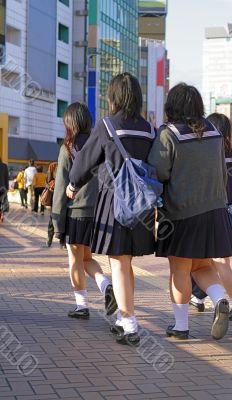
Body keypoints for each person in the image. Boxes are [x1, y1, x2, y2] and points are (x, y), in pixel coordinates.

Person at [67, 73, 156, 346]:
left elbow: (85, 161)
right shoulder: (150, 129)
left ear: (114, 96)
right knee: (126, 264)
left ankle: (130, 325)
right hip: (141, 206)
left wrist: (72, 184)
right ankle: (121, 317)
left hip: (114, 202)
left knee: (118, 263)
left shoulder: (107, 125)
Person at [148, 83, 232, 340]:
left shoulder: (169, 133)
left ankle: (180, 326)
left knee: (179, 269)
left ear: (172, 106)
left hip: (181, 214)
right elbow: (223, 174)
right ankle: (220, 298)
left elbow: (159, 171)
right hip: (214, 211)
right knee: (202, 265)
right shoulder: (213, 132)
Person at [52, 102, 117, 319]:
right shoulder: (99, 144)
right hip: (99, 212)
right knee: (87, 258)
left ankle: (82, 306)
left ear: (69, 123)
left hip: (76, 213)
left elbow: (61, 188)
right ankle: (106, 285)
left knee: (75, 259)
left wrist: (57, 224)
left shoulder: (67, 148)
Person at [190, 113, 232, 321]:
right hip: (229, 216)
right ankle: (198, 296)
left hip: (215, 215)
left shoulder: (213, 157)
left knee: (219, 262)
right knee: (205, 261)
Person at [0, 157, 9, 222]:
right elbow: (6, 177)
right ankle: (2, 214)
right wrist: (7, 187)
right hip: (3, 186)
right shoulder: (4, 166)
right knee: (3, 202)